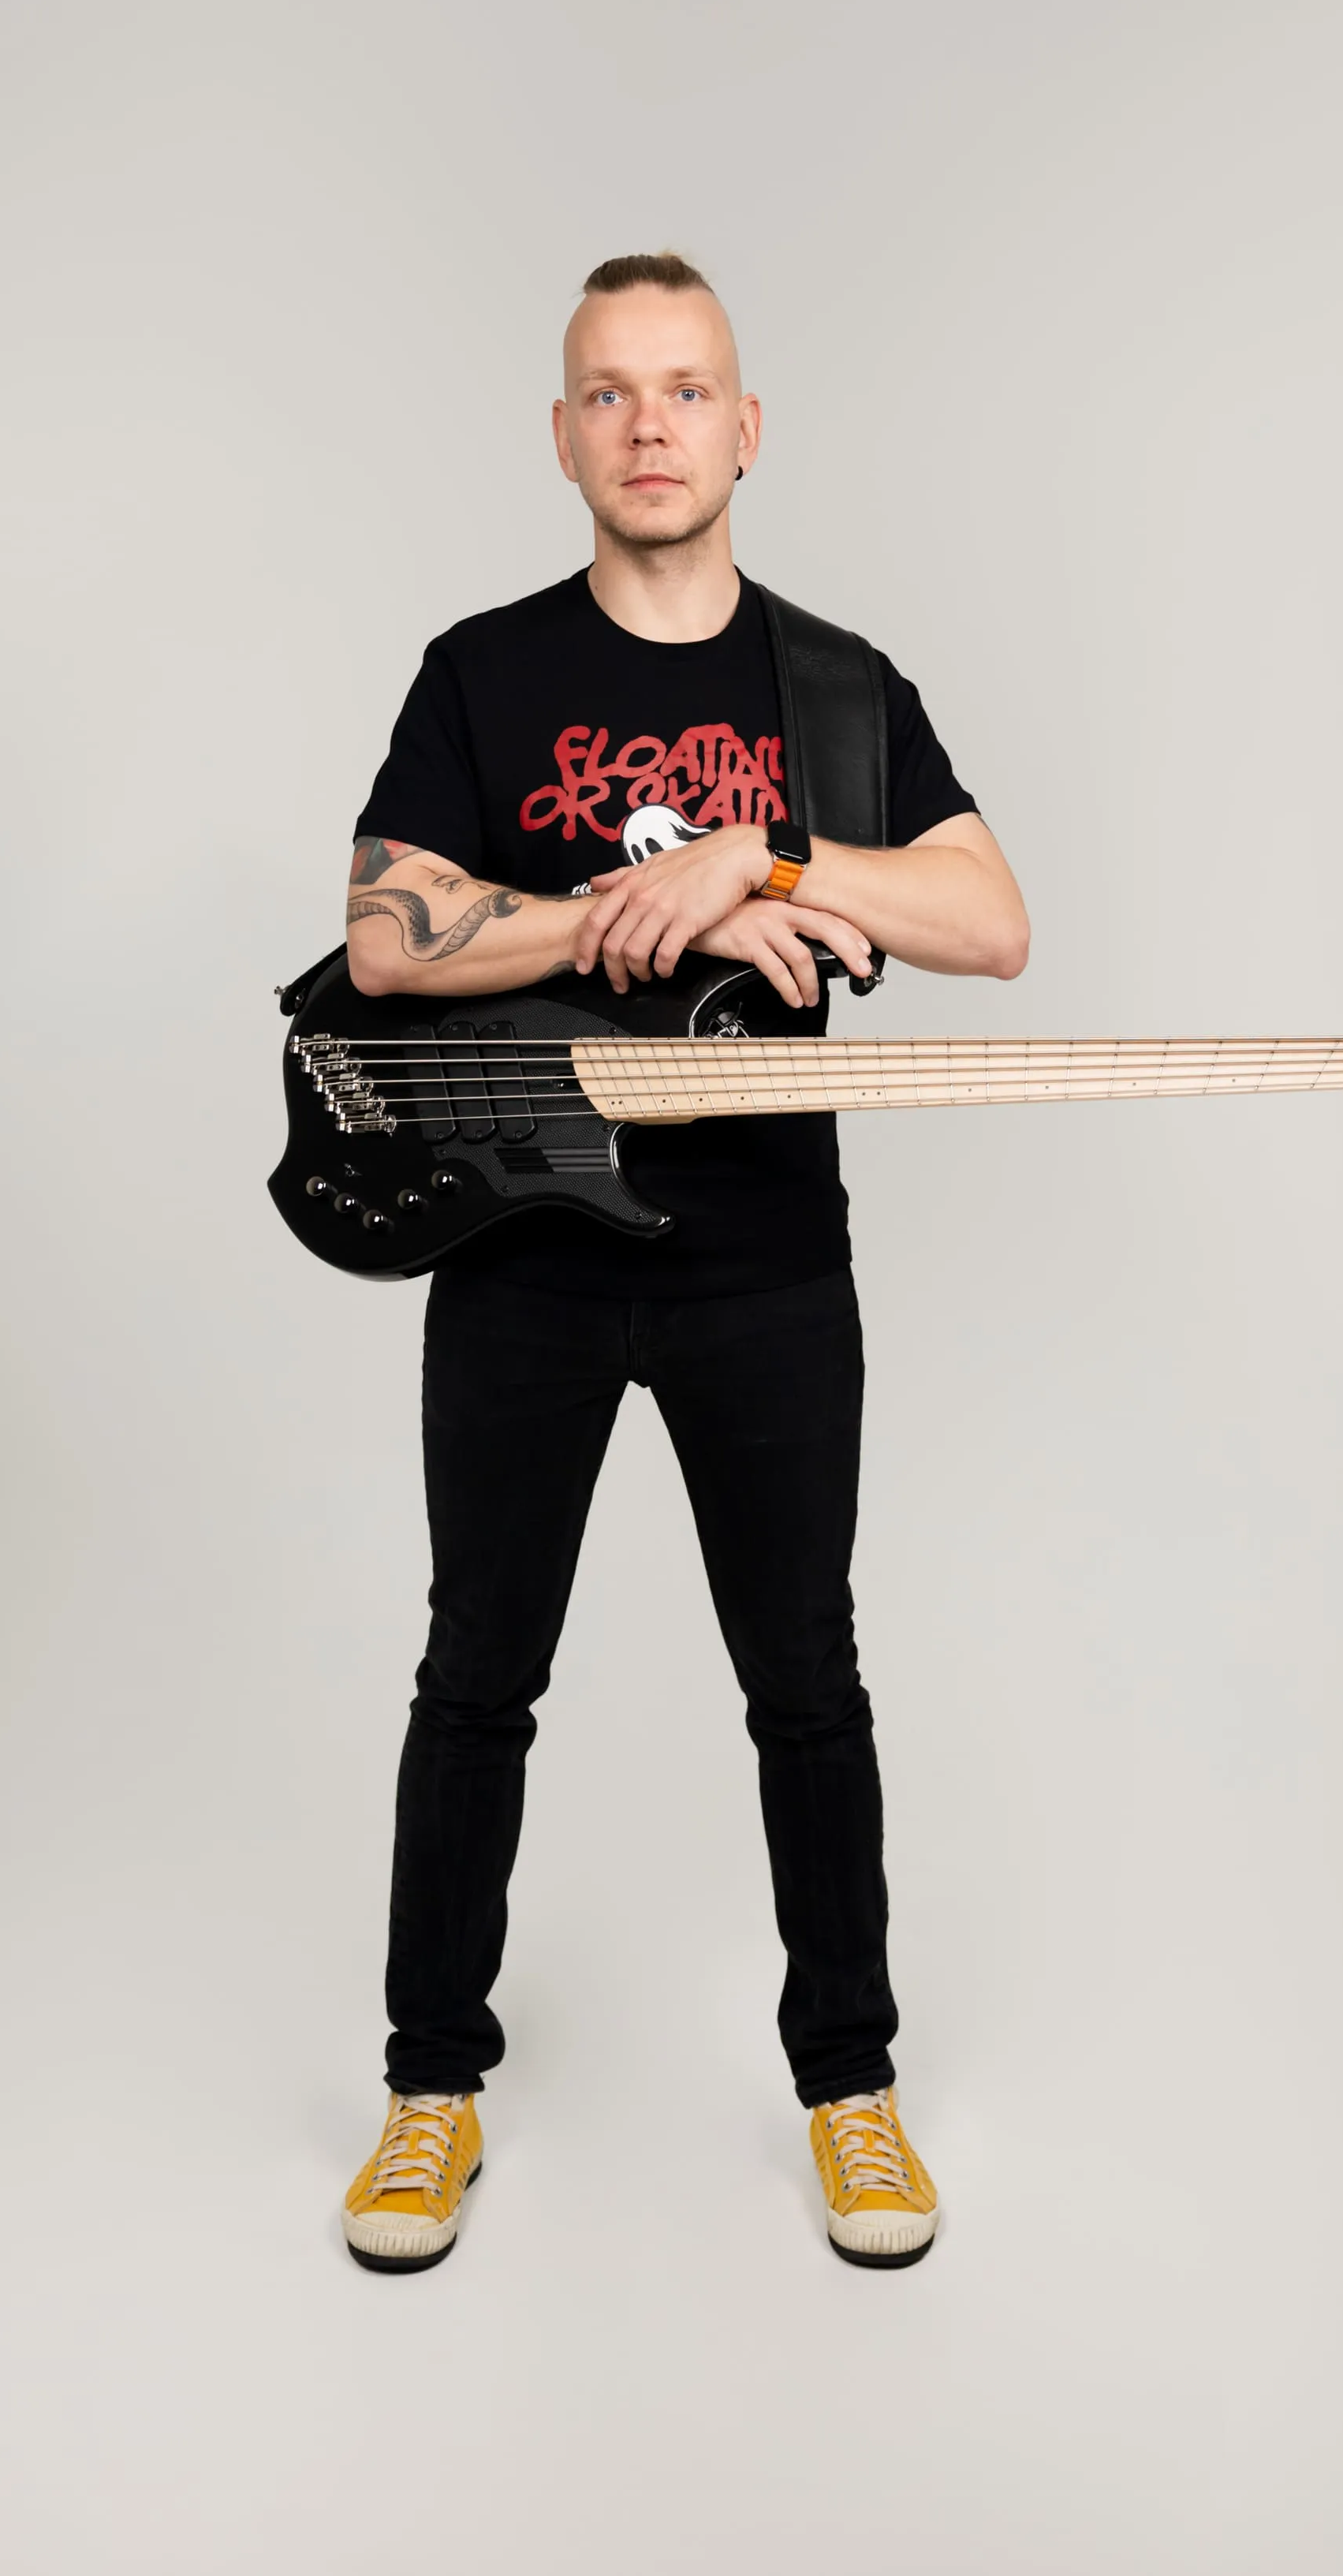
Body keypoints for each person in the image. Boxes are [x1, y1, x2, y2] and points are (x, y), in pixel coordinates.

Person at [337, 252, 1030, 2275]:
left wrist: (766, 857)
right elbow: (383, 937)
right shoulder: (480, 674)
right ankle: (429, 2089)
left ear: (746, 427)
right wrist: (627, 911)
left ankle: (851, 2089)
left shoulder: (836, 689)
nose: (650, 425)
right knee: (478, 1674)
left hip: (763, 1264)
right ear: (564, 436)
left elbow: (991, 923)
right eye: (609, 393)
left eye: (685, 388)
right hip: (525, 1247)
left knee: (805, 1681)